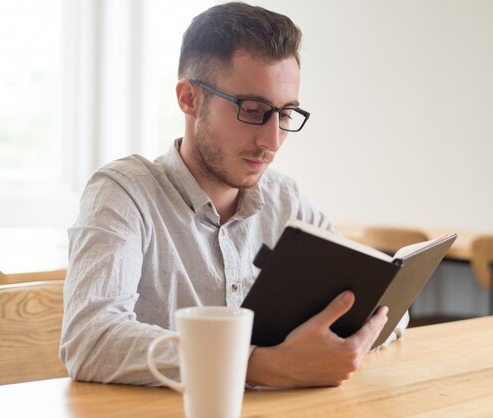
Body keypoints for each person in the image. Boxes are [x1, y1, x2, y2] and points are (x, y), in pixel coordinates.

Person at [60, 1, 407, 388]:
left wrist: (356, 337)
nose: (272, 140)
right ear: (189, 99)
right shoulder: (125, 193)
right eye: (253, 109)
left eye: (286, 114)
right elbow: (89, 340)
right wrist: (257, 365)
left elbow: (385, 304)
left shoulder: (284, 199)